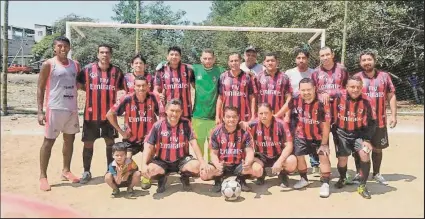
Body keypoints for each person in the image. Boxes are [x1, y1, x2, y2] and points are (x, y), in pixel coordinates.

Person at [37, 36, 81, 191]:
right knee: (48, 142)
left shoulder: (76, 65)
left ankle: (66, 170)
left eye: (66, 46)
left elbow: (80, 84)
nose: (63, 49)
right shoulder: (49, 64)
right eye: (60, 46)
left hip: (71, 109)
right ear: (54, 48)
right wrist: (40, 111)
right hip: (54, 108)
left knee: (69, 141)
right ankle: (43, 176)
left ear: (69, 48)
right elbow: (41, 88)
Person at [76, 44, 125, 184]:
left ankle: (110, 170)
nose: (104, 55)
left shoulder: (117, 71)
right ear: (97, 54)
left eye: (107, 52)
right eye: (102, 52)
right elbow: (79, 85)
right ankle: (86, 171)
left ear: (111, 55)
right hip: (90, 116)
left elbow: (123, 88)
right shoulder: (87, 70)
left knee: (110, 143)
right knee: (88, 144)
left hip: (109, 117)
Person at [106, 75, 164, 190]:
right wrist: (121, 131)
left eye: (143, 86)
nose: (141, 88)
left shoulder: (154, 98)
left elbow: (162, 116)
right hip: (130, 140)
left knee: (150, 160)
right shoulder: (126, 99)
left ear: (148, 86)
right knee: (125, 162)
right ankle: (129, 175)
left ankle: (146, 178)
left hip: (148, 139)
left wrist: (157, 133)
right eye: (138, 86)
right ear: (134, 86)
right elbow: (109, 114)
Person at [140, 99, 209, 193]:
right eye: (172, 110)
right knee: (150, 170)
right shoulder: (158, 125)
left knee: (197, 166)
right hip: (162, 160)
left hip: (182, 160)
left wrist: (202, 162)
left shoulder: (185, 123)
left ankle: (184, 177)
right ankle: (162, 178)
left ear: (181, 112)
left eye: (177, 111)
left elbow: (193, 143)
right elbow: (148, 145)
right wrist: (144, 164)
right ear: (166, 110)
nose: (174, 114)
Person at [279, 78, 332, 197]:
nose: (306, 92)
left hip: (319, 137)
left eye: (309, 89)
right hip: (301, 134)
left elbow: (326, 125)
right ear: (299, 90)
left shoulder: (322, 103)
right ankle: (304, 179)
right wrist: (276, 116)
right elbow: (287, 106)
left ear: (314, 89)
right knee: (299, 156)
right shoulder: (296, 98)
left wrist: (324, 143)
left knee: (323, 157)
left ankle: (325, 183)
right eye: (303, 90)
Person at [352, 51, 397, 185]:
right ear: (360, 63)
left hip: (379, 120)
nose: (366, 62)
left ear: (374, 60)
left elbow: (391, 96)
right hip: (360, 121)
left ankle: (376, 173)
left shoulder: (385, 76)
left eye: (369, 59)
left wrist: (393, 115)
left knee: (378, 148)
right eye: (364, 60)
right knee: (359, 148)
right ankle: (359, 173)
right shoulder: (356, 77)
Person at [331, 76, 377, 199]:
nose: (355, 89)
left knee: (365, 154)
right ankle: (343, 178)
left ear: (362, 88)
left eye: (358, 87)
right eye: (352, 87)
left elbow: (372, 122)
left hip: (359, 134)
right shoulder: (337, 96)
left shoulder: (367, 100)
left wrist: (367, 139)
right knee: (342, 159)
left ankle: (362, 185)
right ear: (346, 87)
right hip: (341, 133)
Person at [200, 106, 263, 192]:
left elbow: (249, 152)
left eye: (234, 117)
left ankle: (241, 179)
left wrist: (247, 163)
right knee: (204, 174)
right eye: (228, 117)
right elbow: (213, 153)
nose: (231, 119)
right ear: (223, 118)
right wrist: (217, 164)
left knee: (258, 170)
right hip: (223, 165)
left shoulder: (245, 132)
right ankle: (218, 180)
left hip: (239, 165)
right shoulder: (216, 132)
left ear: (238, 118)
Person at [285, 48, 320, 176]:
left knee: (314, 137)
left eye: (303, 58)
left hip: (312, 113)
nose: (301, 60)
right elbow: (287, 93)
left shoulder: (314, 73)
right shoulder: (289, 73)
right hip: (295, 111)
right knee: (296, 139)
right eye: (298, 58)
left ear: (308, 59)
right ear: (295, 59)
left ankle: (315, 164)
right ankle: (295, 165)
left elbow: (318, 90)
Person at [245, 103, 297, 188]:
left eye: (266, 113)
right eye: (261, 114)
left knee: (292, 161)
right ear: (257, 114)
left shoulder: (281, 124)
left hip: (278, 155)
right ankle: (261, 174)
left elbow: (289, 145)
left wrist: (280, 161)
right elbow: (240, 132)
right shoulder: (253, 124)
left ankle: (282, 174)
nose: (263, 116)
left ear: (272, 112)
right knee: (254, 167)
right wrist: (242, 124)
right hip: (261, 156)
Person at [192, 49, 226, 162]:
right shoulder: (195, 69)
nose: (207, 61)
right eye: (205, 58)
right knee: (199, 143)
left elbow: (235, 73)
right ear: (201, 59)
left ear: (214, 59)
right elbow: (182, 65)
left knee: (213, 144)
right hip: (198, 115)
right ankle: (200, 166)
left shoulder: (220, 71)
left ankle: (212, 165)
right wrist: (163, 64)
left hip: (214, 116)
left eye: (210, 58)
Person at [153, 46, 195, 120]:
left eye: (176, 55)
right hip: (167, 109)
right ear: (167, 57)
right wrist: (158, 94)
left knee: (184, 131)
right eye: (171, 54)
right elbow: (156, 89)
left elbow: (196, 87)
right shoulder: (161, 70)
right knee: (166, 131)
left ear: (180, 57)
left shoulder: (188, 70)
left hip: (184, 110)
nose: (174, 57)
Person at [216, 52, 257, 125]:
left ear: (240, 61)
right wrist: (217, 116)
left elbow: (252, 98)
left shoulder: (247, 77)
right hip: (227, 117)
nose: (234, 63)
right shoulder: (223, 77)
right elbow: (220, 98)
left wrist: (253, 116)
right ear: (228, 63)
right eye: (231, 61)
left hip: (244, 116)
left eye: (236, 60)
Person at [256, 52, 292, 120]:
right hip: (262, 117)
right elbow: (255, 98)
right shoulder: (259, 77)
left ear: (277, 62)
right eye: (267, 61)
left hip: (279, 116)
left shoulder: (284, 77)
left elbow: (289, 98)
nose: (270, 63)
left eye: (272, 60)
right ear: (264, 63)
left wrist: (287, 115)